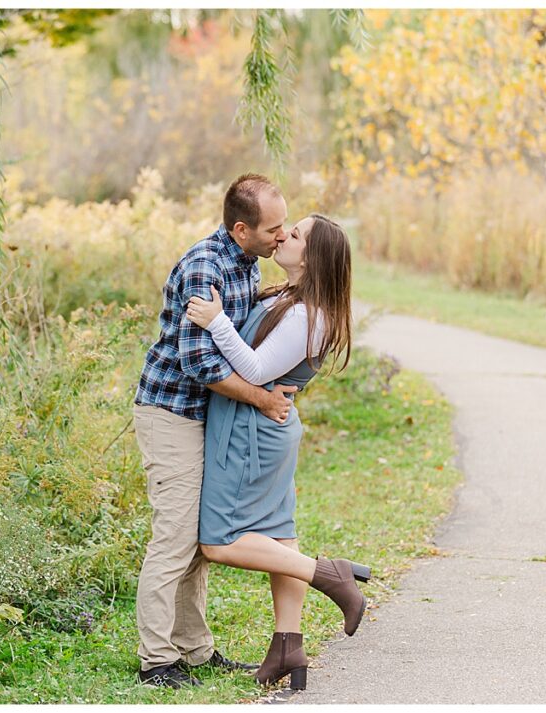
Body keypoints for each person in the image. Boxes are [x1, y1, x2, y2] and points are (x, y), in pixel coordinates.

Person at [185, 213, 370, 692]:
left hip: (253, 431)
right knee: (276, 534)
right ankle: (288, 645)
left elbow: (254, 367)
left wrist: (217, 321)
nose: (285, 234)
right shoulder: (291, 298)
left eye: (298, 233)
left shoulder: (310, 313)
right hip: (262, 425)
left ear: (315, 256)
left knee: (219, 541)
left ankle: (330, 575)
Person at [132, 174, 298, 689]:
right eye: (274, 228)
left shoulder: (247, 262)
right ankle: (156, 659)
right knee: (175, 537)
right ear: (242, 228)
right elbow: (200, 361)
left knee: (199, 539)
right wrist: (263, 399)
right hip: (171, 413)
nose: (282, 235)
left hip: (205, 417)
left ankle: (196, 650)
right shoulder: (206, 267)